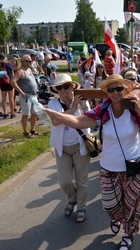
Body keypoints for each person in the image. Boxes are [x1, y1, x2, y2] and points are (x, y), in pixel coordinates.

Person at [44, 74, 140, 250]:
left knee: (132, 205)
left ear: (126, 90)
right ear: (107, 93)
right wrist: (55, 115)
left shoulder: (134, 109)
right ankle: (115, 218)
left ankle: (128, 234)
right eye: (111, 90)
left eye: (119, 88)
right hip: (109, 167)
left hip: (134, 166)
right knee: (110, 204)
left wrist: (139, 109)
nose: (115, 92)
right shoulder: (103, 110)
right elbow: (77, 121)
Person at [47, 74, 91, 223]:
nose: (63, 90)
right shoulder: (53, 103)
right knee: (64, 181)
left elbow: (88, 118)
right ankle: (72, 198)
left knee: (82, 181)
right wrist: (72, 109)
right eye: (59, 88)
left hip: (80, 146)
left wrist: (83, 105)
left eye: (66, 86)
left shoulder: (80, 100)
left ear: (72, 87)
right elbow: (55, 120)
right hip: (62, 148)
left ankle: (82, 207)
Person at [10, 55, 40, 138]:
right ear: (23, 62)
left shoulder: (29, 69)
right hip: (26, 96)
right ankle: (25, 132)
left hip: (33, 95)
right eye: (29, 61)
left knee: (34, 113)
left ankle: (32, 129)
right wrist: (22, 92)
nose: (31, 62)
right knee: (26, 114)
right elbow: (12, 82)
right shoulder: (20, 71)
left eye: (31, 61)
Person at [0, 54, 15, 119]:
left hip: (2, 84)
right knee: (11, 99)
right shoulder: (8, 64)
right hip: (9, 83)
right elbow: (12, 73)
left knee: (3, 99)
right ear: (5, 58)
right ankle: (12, 113)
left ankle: (5, 113)